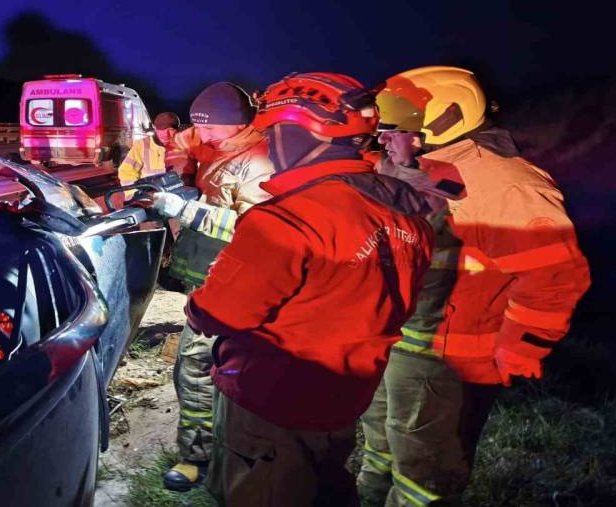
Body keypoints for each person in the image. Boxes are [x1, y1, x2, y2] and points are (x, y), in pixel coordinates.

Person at [185, 72, 434, 506]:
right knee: (325, 482)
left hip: (272, 398)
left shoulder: (285, 221)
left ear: (298, 136)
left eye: (274, 134)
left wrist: (195, 306)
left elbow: (221, 314)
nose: (270, 147)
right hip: (346, 395)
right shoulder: (405, 211)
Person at [357, 67, 591, 507]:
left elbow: (555, 276)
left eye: (393, 127)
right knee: (381, 447)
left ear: (442, 120)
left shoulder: (505, 185)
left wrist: (520, 347)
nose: (381, 137)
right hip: (397, 342)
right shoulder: (413, 169)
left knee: (427, 472)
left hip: (453, 358)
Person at [146, 83, 273, 492]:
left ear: (237, 125)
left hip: (233, 281)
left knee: (199, 368)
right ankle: (213, 454)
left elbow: (254, 229)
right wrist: (181, 170)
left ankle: (200, 458)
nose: (204, 137)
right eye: (200, 128)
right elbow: (182, 141)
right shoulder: (213, 141)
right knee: (199, 369)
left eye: (211, 130)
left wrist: (186, 208)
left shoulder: (260, 163)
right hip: (205, 277)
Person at [117, 112, 181, 188]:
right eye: (162, 130)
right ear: (154, 128)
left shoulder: (182, 145)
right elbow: (126, 172)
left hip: (176, 196)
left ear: (177, 129)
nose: (166, 134)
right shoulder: (142, 145)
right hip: (149, 196)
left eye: (170, 130)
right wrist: (133, 194)